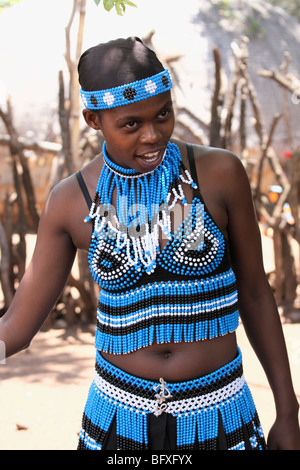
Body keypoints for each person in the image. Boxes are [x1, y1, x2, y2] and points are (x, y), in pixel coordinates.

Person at [0, 37, 299, 451]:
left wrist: (288, 412)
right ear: (93, 120)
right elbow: (16, 328)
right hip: (118, 426)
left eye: (163, 115)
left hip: (220, 419)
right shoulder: (71, 202)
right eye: (131, 124)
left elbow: (255, 293)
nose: (152, 135)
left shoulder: (218, 174)